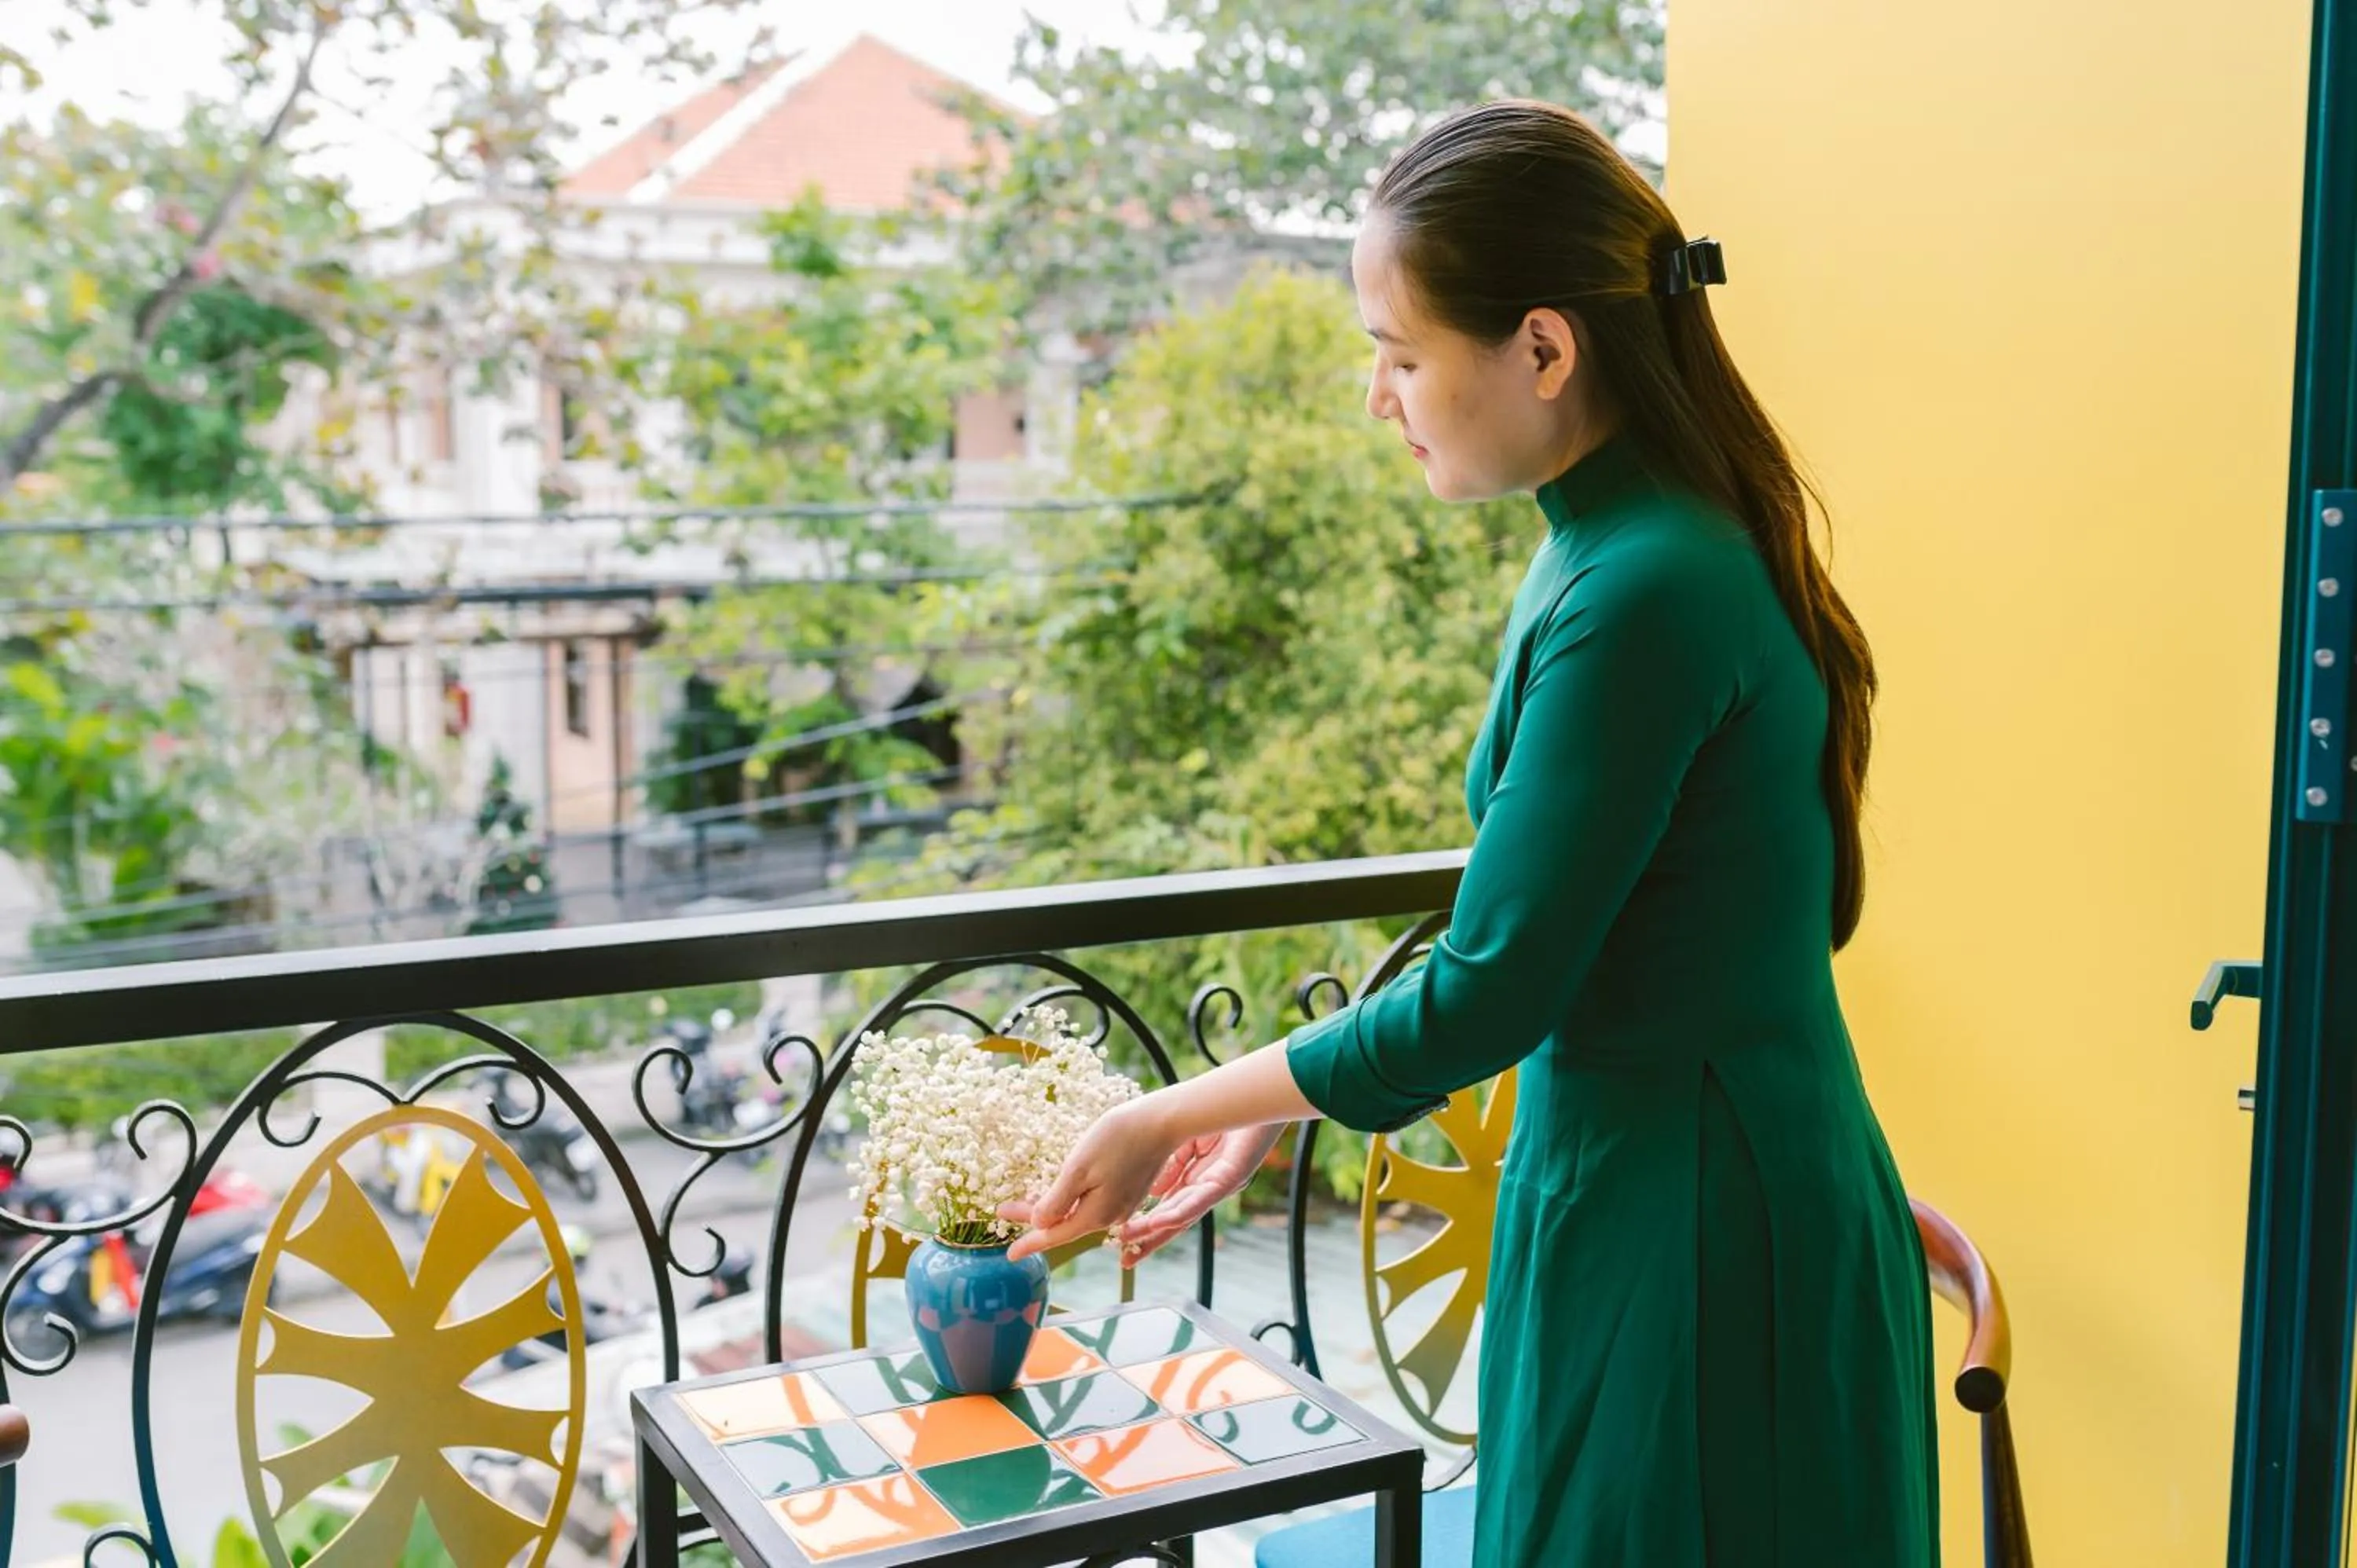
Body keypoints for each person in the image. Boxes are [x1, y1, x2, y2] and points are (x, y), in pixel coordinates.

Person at [1000, 101, 1938, 1566]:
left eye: (1401, 354)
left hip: (1693, 1225)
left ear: (1545, 350)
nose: (1381, 399)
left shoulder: (1642, 588)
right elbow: (1570, 919)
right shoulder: (1629, 543)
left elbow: (1495, 985)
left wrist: (1168, 1110)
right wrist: (1266, 1097)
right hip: (1676, 1178)